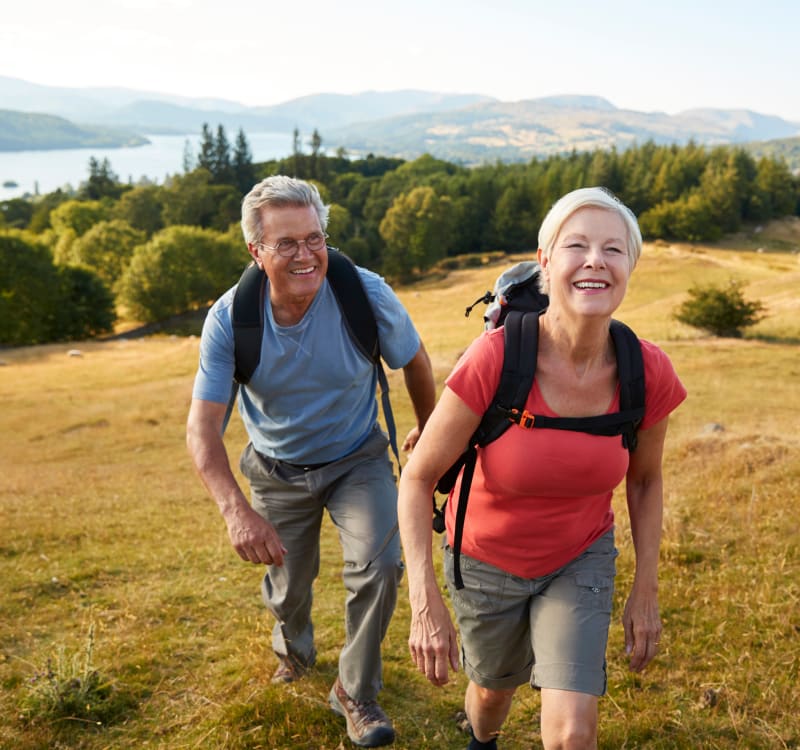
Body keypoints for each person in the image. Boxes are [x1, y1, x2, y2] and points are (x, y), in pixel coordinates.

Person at [397, 187, 687, 750]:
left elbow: (645, 479)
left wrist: (645, 587)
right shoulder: (498, 357)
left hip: (579, 556)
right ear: (546, 263)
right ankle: (483, 739)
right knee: (490, 698)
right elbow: (417, 477)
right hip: (484, 558)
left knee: (574, 733)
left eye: (614, 249)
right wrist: (423, 599)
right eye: (576, 245)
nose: (595, 260)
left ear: (630, 267)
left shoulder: (646, 370)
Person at [187, 175, 436, 748]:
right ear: (256, 251)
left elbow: (416, 361)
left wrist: (429, 431)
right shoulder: (231, 319)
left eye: (314, 238)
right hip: (276, 469)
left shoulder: (363, 292)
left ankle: (355, 692)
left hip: (358, 458)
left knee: (380, 566)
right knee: (289, 587)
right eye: (287, 244)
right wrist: (236, 512)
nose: (306, 255)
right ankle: (294, 647)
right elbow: (202, 430)